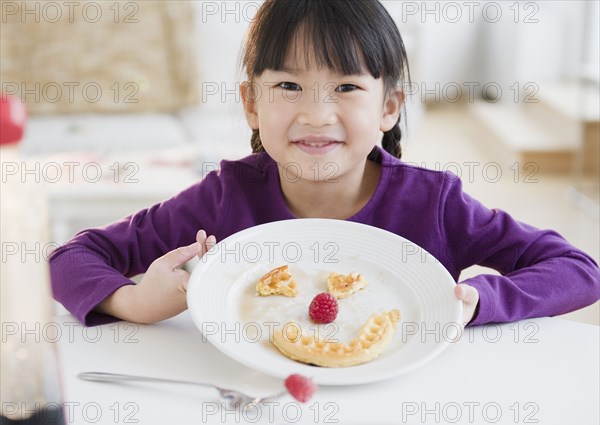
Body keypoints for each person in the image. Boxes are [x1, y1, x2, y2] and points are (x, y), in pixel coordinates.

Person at [50, 0, 599, 327]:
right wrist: (133, 300)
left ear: (388, 107)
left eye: (345, 87)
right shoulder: (222, 198)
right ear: (251, 104)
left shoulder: (434, 204)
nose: (316, 114)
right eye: (288, 85)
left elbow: (578, 270)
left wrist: (477, 302)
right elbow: (70, 257)